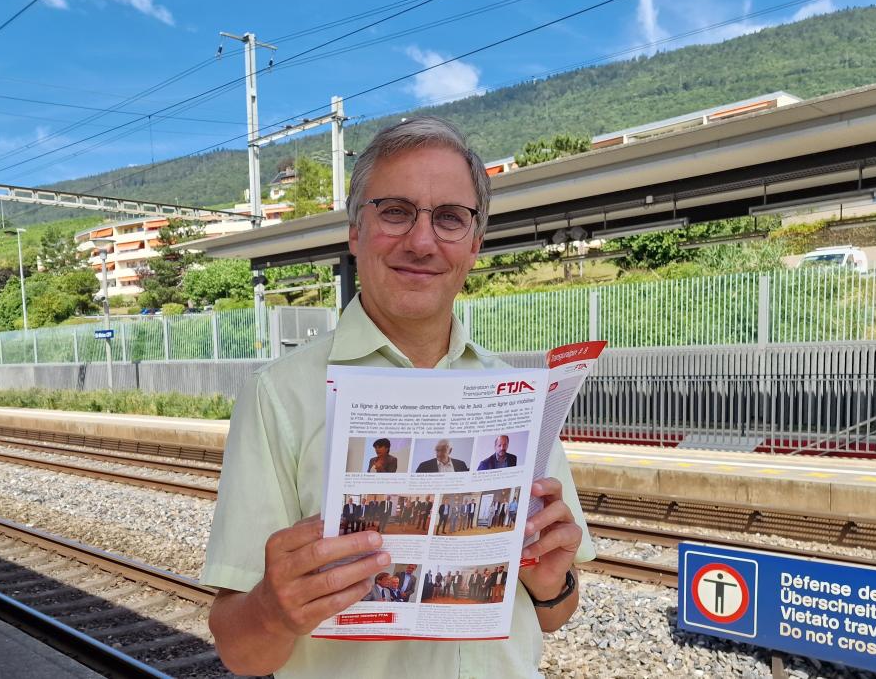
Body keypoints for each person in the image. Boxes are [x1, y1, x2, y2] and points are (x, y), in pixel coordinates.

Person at [203, 116, 595, 678]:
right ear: (355, 232)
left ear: (476, 242)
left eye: (450, 219)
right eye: (395, 211)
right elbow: (241, 654)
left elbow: (556, 613)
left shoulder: (517, 393)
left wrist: (552, 580)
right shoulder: (278, 396)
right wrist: (272, 609)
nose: (421, 240)